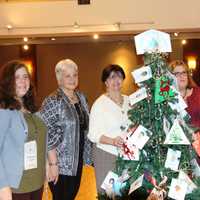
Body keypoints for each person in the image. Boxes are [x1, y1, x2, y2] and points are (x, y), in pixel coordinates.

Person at [0, 60, 57, 200]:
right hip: (16, 186)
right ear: (8, 81)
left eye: (25, 77)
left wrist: (48, 165)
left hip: (37, 181)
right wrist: (2, 186)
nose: (22, 81)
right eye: (17, 77)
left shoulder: (33, 110)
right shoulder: (4, 111)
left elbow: (40, 140)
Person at [40, 59, 93, 200]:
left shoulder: (81, 97)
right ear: (59, 78)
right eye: (67, 76)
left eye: (75, 75)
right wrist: (53, 164)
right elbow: (45, 133)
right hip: (60, 164)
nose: (72, 79)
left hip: (79, 162)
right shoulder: (53, 100)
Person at [88, 64, 130, 192]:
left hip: (127, 154)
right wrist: (113, 141)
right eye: (112, 77)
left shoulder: (129, 101)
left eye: (119, 76)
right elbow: (93, 134)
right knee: (110, 193)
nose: (116, 80)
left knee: (124, 193)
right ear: (106, 82)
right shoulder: (100, 104)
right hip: (107, 154)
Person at [169, 60, 200, 128]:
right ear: (170, 77)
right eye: (177, 73)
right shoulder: (166, 98)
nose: (182, 76)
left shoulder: (198, 92)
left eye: (184, 72)